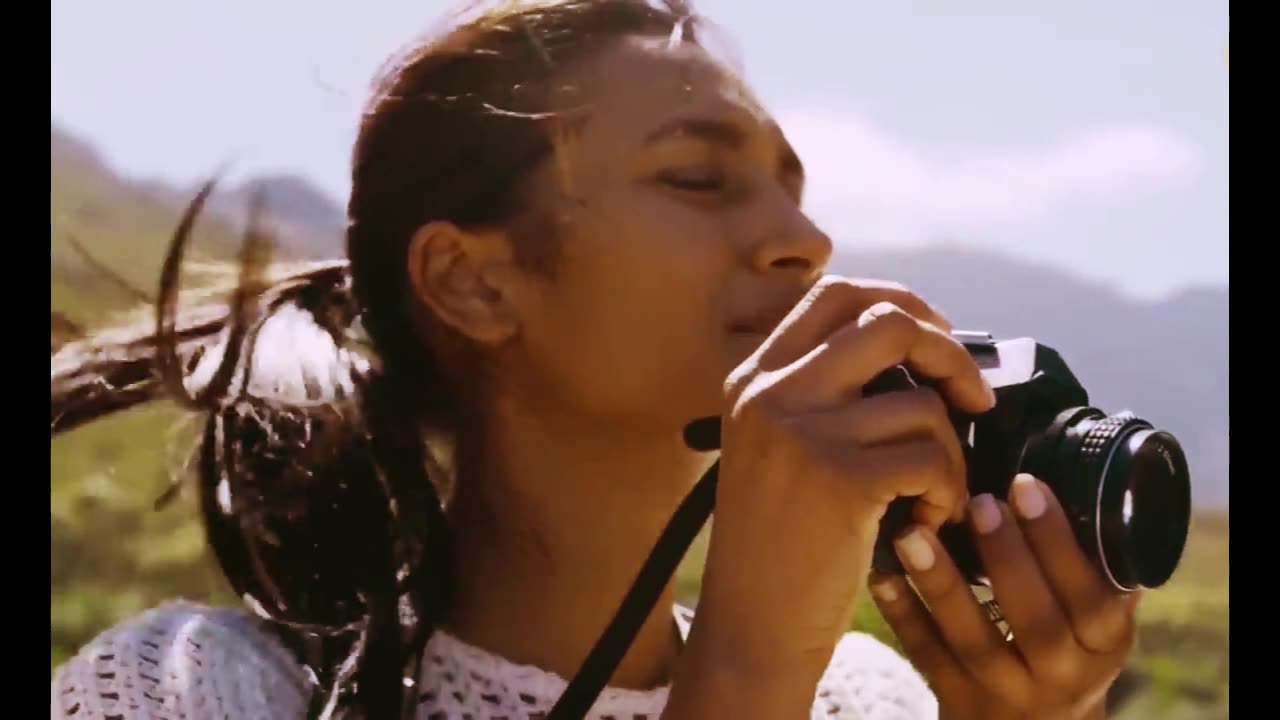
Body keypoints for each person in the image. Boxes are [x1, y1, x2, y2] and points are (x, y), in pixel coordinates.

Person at [49, 1, 1140, 718]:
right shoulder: (192, 692)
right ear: (473, 283)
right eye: (695, 181)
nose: (802, 242)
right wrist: (746, 676)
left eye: (791, 191)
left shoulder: (868, 698)